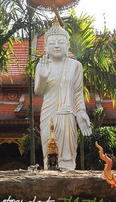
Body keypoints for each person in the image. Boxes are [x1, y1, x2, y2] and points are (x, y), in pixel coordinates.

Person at [34, 23, 91, 170]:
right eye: (52, 43)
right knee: (49, 151)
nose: (56, 46)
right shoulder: (42, 64)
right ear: (45, 47)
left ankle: (68, 179)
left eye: (60, 42)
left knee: (67, 155)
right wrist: (42, 77)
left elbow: (78, 92)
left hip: (67, 113)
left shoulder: (75, 66)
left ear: (68, 45)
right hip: (48, 113)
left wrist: (81, 113)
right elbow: (38, 91)